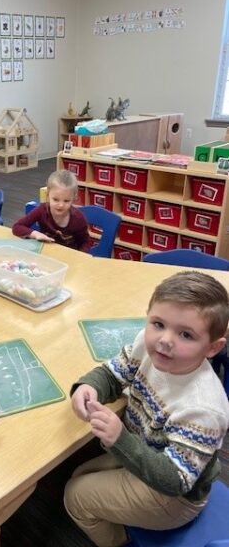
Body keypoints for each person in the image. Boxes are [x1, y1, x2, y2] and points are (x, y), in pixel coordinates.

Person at [64, 271, 229, 547]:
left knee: (74, 495)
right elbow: (112, 373)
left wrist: (120, 439)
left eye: (186, 334)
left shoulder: (204, 409)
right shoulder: (148, 343)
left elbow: (175, 480)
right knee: (79, 475)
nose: (165, 340)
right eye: (158, 323)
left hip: (174, 496)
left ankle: (117, 542)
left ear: (213, 348)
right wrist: (88, 386)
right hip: (146, 451)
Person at [12, 169, 92, 252]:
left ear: (73, 198)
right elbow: (17, 227)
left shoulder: (78, 219)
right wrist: (35, 234)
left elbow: (86, 242)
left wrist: (79, 256)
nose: (60, 205)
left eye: (66, 201)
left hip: (68, 258)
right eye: (56, 199)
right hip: (46, 254)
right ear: (48, 195)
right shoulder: (42, 210)